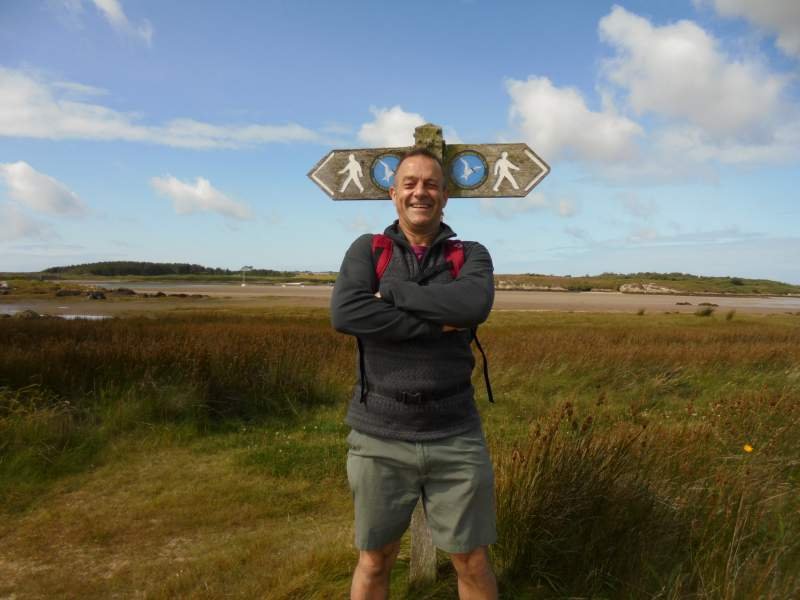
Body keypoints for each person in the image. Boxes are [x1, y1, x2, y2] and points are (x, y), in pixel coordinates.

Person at [330, 148, 498, 599]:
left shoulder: (471, 254)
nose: (419, 192)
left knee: (472, 560)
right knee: (374, 558)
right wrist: (440, 320)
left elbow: (473, 306)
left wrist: (393, 293)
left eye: (430, 184)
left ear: (445, 196)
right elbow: (346, 312)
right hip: (378, 435)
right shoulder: (368, 249)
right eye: (410, 183)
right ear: (393, 194)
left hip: (455, 433)